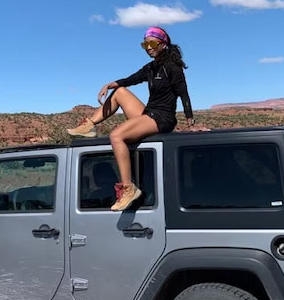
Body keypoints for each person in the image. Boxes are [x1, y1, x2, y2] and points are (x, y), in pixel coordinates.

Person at [67, 26, 195, 211]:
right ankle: (90, 125)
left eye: (152, 43)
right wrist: (111, 84)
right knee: (120, 92)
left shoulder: (172, 68)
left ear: (163, 44)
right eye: (145, 44)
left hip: (163, 118)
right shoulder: (151, 68)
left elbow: (184, 94)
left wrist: (191, 122)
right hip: (149, 113)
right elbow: (132, 79)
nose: (148, 47)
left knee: (116, 136)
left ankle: (128, 188)